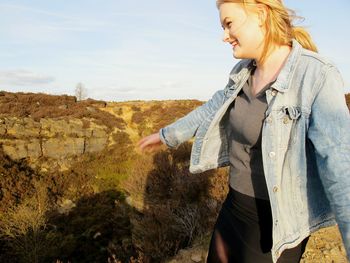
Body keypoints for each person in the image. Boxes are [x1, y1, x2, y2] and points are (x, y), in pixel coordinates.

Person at [137, 0, 350, 262]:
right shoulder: (242, 72)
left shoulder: (317, 75)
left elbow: (341, 168)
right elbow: (212, 108)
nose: (224, 36)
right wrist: (166, 136)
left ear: (261, 14)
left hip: (275, 227)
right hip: (234, 210)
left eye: (229, 24)